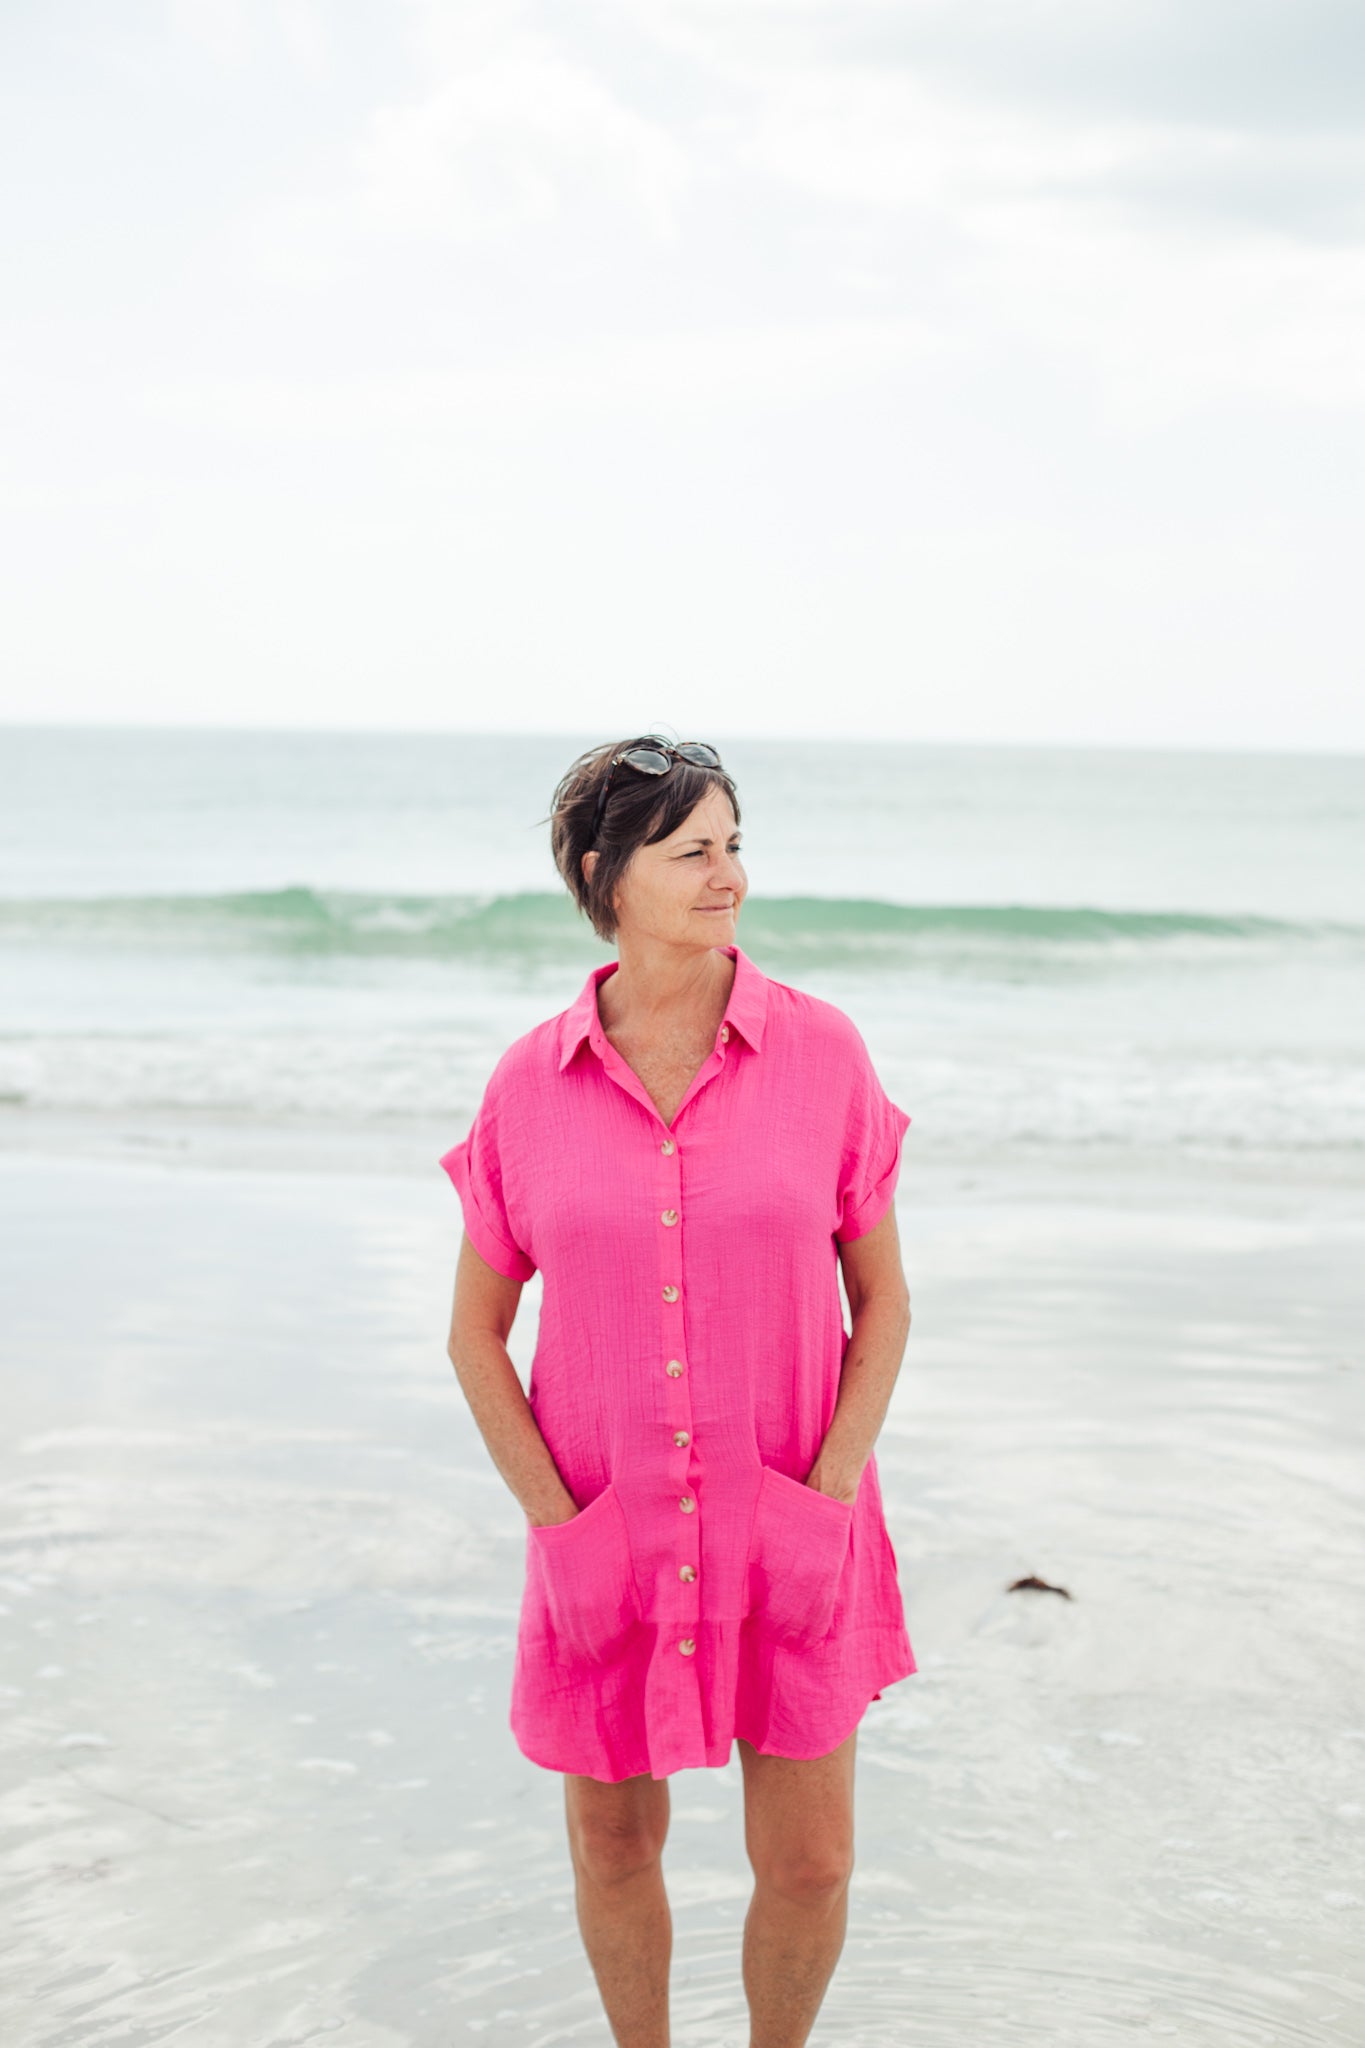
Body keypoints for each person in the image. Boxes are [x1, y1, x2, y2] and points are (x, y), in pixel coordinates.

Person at [440, 734, 916, 2048]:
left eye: (734, 844)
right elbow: (474, 1335)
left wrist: (826, 1490)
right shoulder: (526, 1087)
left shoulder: (822, 1056)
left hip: (790, 1510)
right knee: (611, 1842)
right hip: (603, 1519)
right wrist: (554, 1522)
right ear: (606, 874)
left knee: (811, 1861)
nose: (729, 878)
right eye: (693, 850)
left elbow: (884, 1304)